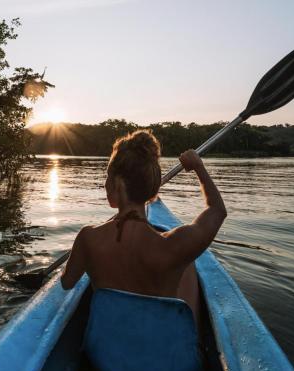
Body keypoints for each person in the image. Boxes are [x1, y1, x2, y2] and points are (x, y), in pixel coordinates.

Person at [60, 129, 226, 328]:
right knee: (188, 264)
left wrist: (83, 255)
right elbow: (217, 211)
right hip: (160, 353)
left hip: (105, 354)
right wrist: (198, 167)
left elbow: (67, 282)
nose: (104, 184)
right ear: (153, 188)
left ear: (117, 184)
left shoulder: (88, 238)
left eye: (107, 177)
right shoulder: (173, 246)